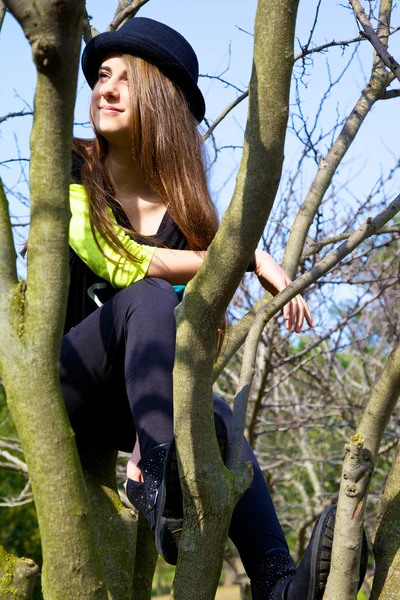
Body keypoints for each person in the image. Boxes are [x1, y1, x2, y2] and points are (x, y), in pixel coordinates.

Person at [61, 17, 366, 600]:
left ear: (160, 100)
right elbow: (114, 257)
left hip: (136, 404)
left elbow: (195, 340)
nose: (105, 89)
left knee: (221, 416)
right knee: (144, 295)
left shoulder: (188, 219)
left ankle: (278, 583)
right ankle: (157, 476)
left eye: (126, 80)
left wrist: (227, 251)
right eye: (101, 77)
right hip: (73, 375)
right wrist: (241, 254)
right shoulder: (73, 166)